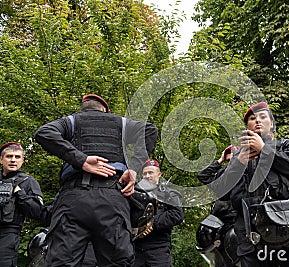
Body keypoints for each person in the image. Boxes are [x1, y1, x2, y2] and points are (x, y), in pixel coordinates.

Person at [34, 93, 158, 266]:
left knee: (62, 262)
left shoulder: (72, 121)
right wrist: (133, 168)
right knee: (117, 262)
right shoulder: (120, 123)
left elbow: (44, 132)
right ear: (105, 110)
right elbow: (150, 130)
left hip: (73, 200)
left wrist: (81, 160)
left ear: (83, 109)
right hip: (113, 198)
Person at [216, 102, 289, 266]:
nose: (257, 120)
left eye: (263, 117)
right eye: (252, 118)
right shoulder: (238, 157)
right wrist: (237, 165)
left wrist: (265, 149)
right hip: (251, 238)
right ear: (247, 126)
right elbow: (221, 192)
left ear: (271, 124)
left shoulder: (284, 145)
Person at [0, 142, 45, 266]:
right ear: (1, 159)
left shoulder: (28, 182)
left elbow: (38, 212)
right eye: (9, 156)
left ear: (23, 160)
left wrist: (19, 193)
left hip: (8, 235)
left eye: (17, 157)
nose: (13, 160)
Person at [133, 159, 184, 267]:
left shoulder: (168, 194)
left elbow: (177, 214)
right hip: (135, 248)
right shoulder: (135, 194)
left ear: (159, 174)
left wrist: (152, 222)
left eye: (151, 172)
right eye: (145, 173)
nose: (147, 176)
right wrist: (137, 229)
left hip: (159, 248)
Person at [197, 145, 240, 267]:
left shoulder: (245, 173)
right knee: (220, 260)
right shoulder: (221, 174)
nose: (231, 163)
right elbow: (203, 176)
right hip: (219, 223)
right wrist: (219, 161)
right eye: (228, 160)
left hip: (236, 221)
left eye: (234, 159)